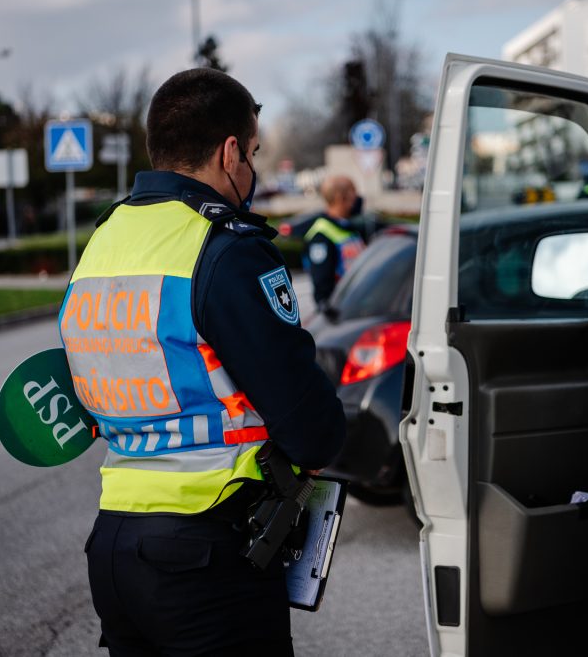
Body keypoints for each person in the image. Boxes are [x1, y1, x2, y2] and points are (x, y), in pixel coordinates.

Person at [59, 68, 345, 656]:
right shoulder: (224, 249)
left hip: (114, 547)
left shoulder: (104, 241)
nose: (253, 171)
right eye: (255, 153)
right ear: (230, 150)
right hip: (205, 556)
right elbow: (311, 428)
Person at [302, 175, 367, 310]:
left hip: (356, 304)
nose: (357, 198)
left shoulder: (348, 227)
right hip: (341, 311)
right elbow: (322, 286)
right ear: (339, 198)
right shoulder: (321, 235)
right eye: (353, 193)